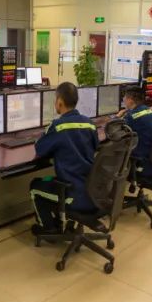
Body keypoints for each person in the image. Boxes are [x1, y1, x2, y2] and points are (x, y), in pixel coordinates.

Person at [30, 82, 99, 235]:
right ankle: (62, 222)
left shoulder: (57, 126)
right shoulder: (90, 124)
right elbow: (96, 146)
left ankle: (48, 229)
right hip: (93, 189)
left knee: (35, 186)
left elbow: (40, 149)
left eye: (55, 99)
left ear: (60, 102)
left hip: (72, 192)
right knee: (51, 180)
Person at [116, 86, 152, 184]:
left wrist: (117, 117)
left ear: (130, 100)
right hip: (151, 147)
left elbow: (116, 129)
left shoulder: (132, 116)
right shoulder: (146, 109)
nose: (123, 99)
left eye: (125, 97)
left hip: (141, 150)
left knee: (113, 146)